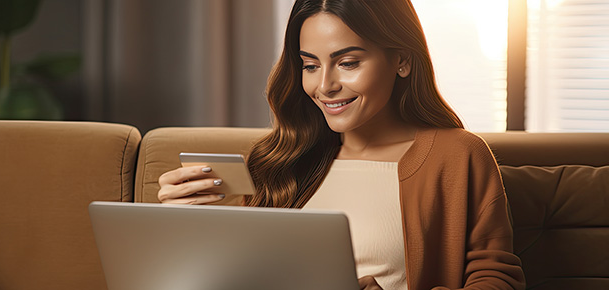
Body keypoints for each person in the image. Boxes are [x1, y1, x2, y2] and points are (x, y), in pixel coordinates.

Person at [157, 0, 526, 289]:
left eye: (347, 63)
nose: (325, 86)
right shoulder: (276, 159)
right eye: (310, 66)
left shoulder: (456, 155)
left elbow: (497, 280)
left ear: (401, 60)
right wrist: (185, 224)